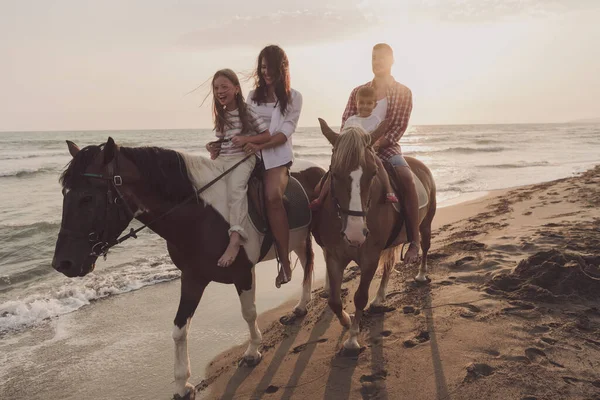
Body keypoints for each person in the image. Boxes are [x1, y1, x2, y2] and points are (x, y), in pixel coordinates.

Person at [231, 45, 303, 288]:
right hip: (251, 153)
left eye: (271, 67)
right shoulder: (252, 96)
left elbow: (284, 133)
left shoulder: (294, 97)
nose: (266, 72)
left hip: (278, 157)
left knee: (272, 197)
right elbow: (246, 127)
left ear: (282, 68)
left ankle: (284, 261)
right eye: (263, 67)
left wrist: (258, 146)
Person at [341, 43, 420, 264]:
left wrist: (374, 145)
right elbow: (346, 122)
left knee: (406, 178)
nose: (377, 62)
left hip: (386, 149)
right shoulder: (358, 91)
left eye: (382, 58)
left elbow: (398, 128)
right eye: (374, 58)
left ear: (392, 60)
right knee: (332, 177)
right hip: (357, 150)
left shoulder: (403, 92)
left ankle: (414, 239)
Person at [204, 69, 268, 267]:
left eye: (224, 87)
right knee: (205, 185)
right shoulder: (221, 116)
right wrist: (213, 148)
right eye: (216, 88)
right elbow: (222, 143)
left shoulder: (247, 111)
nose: (220, 91)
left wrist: (246, 139)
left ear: (237, 89)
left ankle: (235, 238)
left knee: (235, 190)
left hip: (243, 158)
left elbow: (266, 135)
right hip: (224, 159)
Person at [309, 86, 398, 210]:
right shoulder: (351, 120)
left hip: (368, 153)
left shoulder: (375, 120)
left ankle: (389, 191)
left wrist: (373, 145)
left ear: (375, 105)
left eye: (369, 103)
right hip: (350, 155)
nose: (365, 106)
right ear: (356, 103)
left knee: (379, 165)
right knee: (333, 171)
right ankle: (320, 198)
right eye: (361, 102)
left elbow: (376, 137)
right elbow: (344, 137)